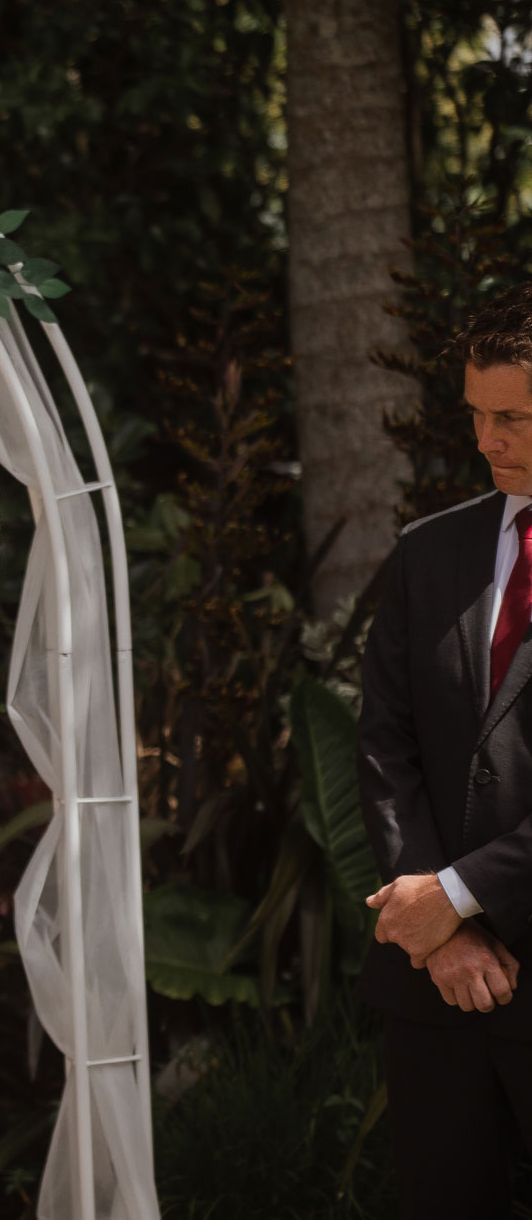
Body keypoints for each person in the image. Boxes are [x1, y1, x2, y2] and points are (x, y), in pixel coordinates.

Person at [358, 281, 532, 1218]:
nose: (484, 439)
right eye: (475, 413)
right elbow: (384, 746)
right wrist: (441, 931)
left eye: (511, 417)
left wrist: (462, 897)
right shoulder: (429, 552)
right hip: (436, 990)